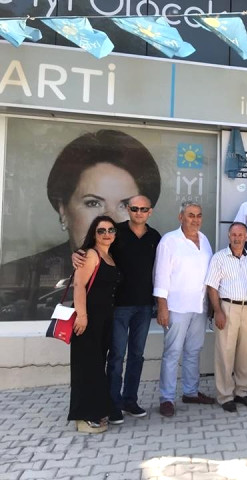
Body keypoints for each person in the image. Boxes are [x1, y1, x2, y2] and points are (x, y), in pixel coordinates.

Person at [0, 129, 161, 321]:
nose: (109, 219)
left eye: (124, 205)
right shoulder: (28, 270)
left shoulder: (145, 246)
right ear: (63, 209)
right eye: (93, 203)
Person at [71, 195, 161, 424]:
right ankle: (112, 405)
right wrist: (77, 254)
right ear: (128, 209)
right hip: (119, 307)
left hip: (144, 306)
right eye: (135, 208)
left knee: (137, 356)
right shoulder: (115, 232)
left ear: (150, 212)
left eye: (143, 209)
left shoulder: (155, 237)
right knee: (117, 356)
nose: (139, 212)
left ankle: (130, 400)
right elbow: (92, 252)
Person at [154, 201, 214, 417]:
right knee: (172, 352)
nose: (195, 219)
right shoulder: (169, 241)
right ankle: (167, 398)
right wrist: (162, 306)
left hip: (199, 306)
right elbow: (161, 275)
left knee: (193, 350)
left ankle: (190, 392)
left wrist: (211, 304)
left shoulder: (204, 240)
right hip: (176, 307)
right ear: (181, 217)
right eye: (190, 215)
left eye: (198, 215)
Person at [68, 215, 120, 433]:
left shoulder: (110, 256)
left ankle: (96, 411)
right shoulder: (91, 254)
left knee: (97, 366)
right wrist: (82, 315)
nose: (106, 234)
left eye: (110, 230)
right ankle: (84, 416)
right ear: (94, 233)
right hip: (88, 319)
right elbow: (79, 285)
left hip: (104, 320)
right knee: (86, 367)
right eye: (101, 230)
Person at [205, 222, 247, 413]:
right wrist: (217, 311)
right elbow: (212, 287)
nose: (237, 238)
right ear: (229, 236)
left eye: (240, 235)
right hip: (227, 308)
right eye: (234, 235)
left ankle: (242, 392)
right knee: (225, 352)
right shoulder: (219, 258)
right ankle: (225, 395)